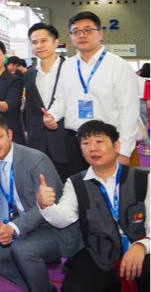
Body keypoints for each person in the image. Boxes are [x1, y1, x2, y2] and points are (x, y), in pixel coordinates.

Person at [0, 112, 81, 292]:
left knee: (23, 250)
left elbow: (44, 208)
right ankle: (42, 287)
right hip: (19, 224)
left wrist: (14, 228)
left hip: (52, 226)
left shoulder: (36, 160)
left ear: (10, 134)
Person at [38, 120, 151, 292]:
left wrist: (141, 246)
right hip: (100, 255)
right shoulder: (76, 183)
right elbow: (64, 219)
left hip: (141, 251)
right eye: (85, 143)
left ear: (116, 145)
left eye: (99, 141)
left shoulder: (143, 179)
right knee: (74, 287)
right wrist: (45, 205)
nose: (92, 148)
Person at [44, 11, 141, 175]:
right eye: (76, 32)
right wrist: (52, 115)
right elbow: (61, 99)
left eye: (88, 30)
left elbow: (129, 111)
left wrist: (125, 151)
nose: (81, 35)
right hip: (75, 140)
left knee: (106, 188)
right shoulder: (68, 65)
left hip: (106, 141)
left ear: (100, 34)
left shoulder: (119, 66)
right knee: (79, 187)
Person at [25, 23, 70, 180]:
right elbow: (30, 111)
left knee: (68, 186)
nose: (39, 45)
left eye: (44, 41)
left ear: (55, 42)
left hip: (66, 141)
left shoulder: (70, 69)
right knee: (41, 186)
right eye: (34, 42)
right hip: (37, 142)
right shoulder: (29, 74)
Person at [139, 63, 151, 156]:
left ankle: (140, 146)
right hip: (145, 102)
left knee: (140, 125)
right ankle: (146, 148)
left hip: (138, 102)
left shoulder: (137, 79)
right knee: (145, 126)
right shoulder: (148, 82)